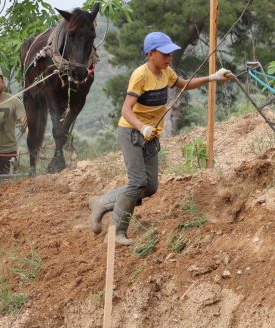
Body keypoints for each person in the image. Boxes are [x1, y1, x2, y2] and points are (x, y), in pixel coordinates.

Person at [88, 31, 233, 245]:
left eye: (170, 54)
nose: (169, 58)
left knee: (150, 186)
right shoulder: (140, 75)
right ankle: (117, 233)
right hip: (131, 132)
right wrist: (142, 127)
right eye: (164, 54)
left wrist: (212, 77)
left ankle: (101, 202)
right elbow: (126, 110)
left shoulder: (166, 72)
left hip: (150, 135)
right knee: (137, 182)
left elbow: (184, 84)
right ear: (150, 54)